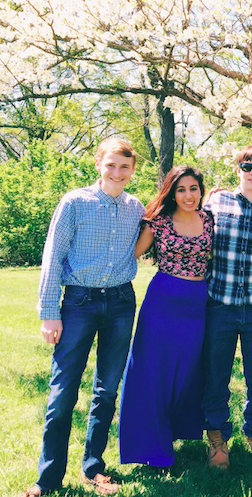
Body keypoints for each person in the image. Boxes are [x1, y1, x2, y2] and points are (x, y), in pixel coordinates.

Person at [24, 138, 144, 497]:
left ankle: (94, 467)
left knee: (107, 391)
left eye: (124, 166)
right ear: (98, 164)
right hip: (77, 303)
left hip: (122, 303)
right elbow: (53, 254)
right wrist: (49, 313)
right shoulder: (75, 202)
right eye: (111, 165)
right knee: (62, 393)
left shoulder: (135, 208)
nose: (117, 172)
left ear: (133, 170)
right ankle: (47, 479)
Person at [118, 166, 213, 468]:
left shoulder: (208, 220)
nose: (188, 195)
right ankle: (149, 447)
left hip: (198, 305)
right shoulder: (158, 222)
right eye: (182, 189)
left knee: (185, 373)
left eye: (193, 188)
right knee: (153, 373)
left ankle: (175, 431)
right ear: (172, 192)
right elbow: (130, 255)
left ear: (201, 190)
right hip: (163, 303)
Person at [202, 144, 252, 470]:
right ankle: (217, 439)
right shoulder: (216, 201)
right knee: (216, 375)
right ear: (238, 169)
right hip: (220, 303)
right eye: (247, 166)